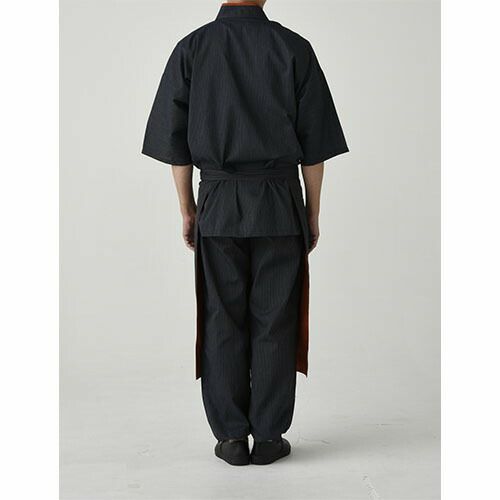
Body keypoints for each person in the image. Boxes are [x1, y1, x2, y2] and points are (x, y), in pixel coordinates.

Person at [142, 0, 348, 466]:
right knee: (276, 318)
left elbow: (176, 146)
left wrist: (188, 209)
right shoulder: (294, 48)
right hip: (279, 204)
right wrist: (311, 213)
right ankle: (270, 437)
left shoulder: (192, 49)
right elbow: (314, 147)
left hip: (217, 204)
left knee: (221, 317)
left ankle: (231, 438)